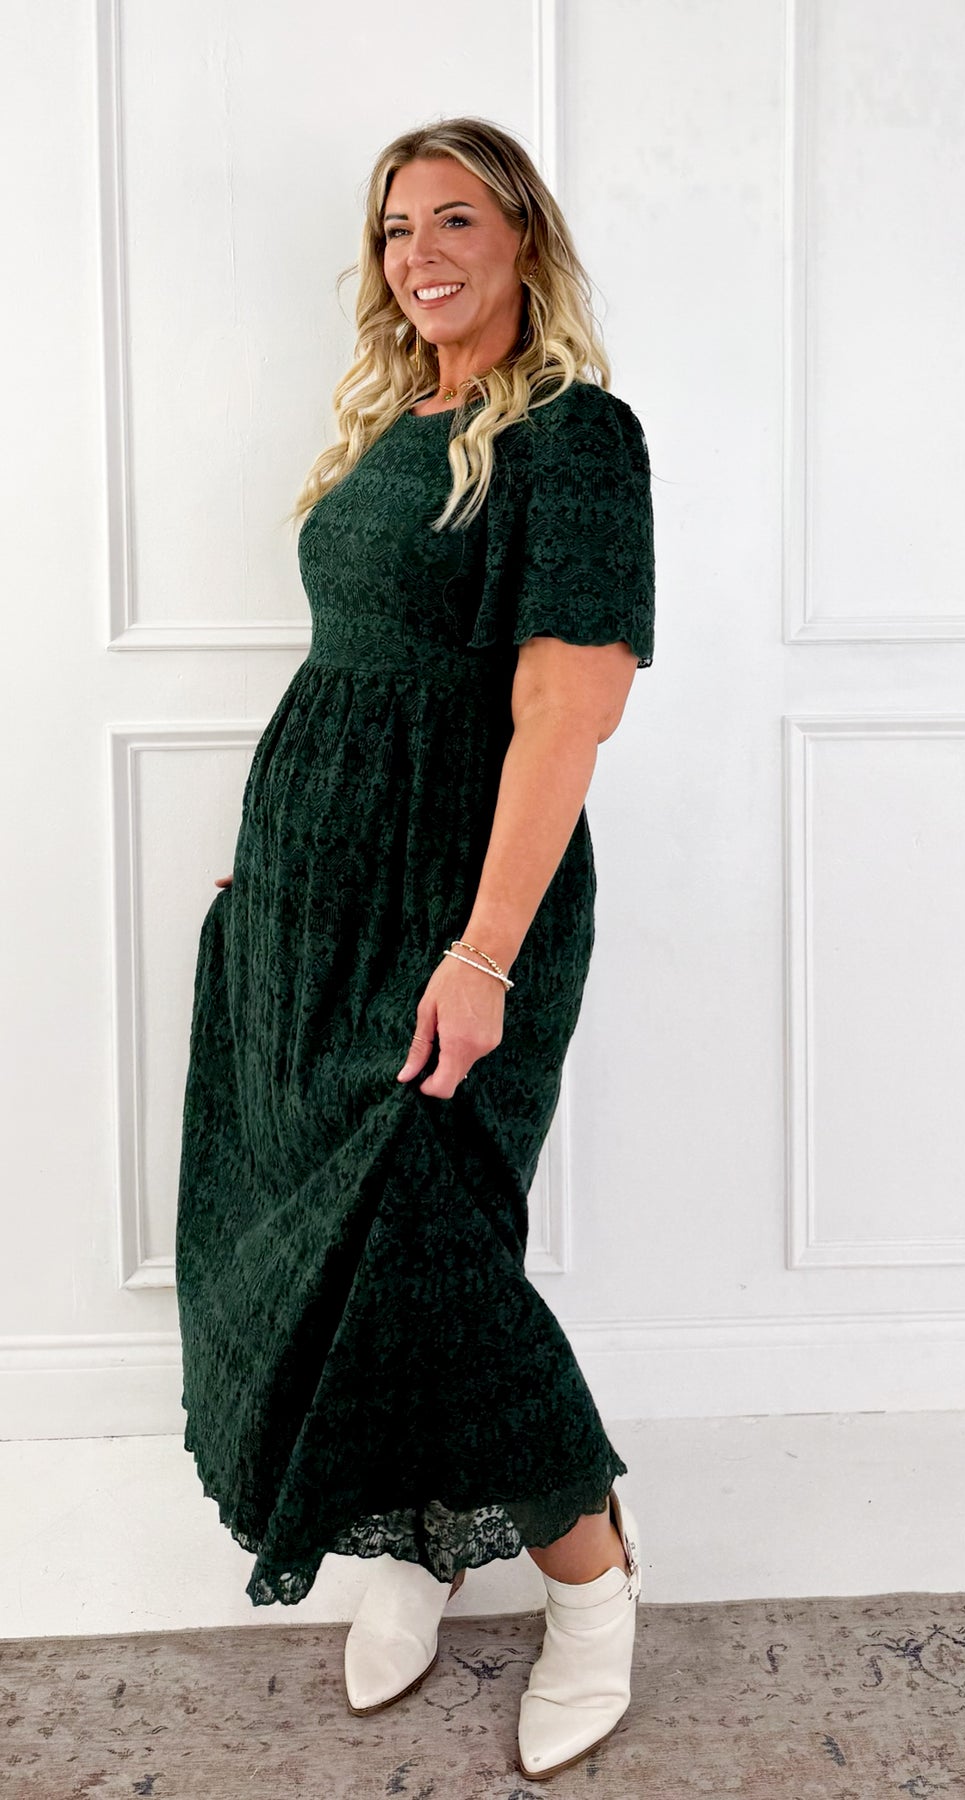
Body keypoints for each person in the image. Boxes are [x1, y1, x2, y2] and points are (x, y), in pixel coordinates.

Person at [173, 115, 656, 1782]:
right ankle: (414, 1543)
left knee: (429, 1242)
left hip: (460, 908)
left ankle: (591, 1587)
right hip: (311, 894)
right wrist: (273, 876)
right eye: (395, 227)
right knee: (326, 1230)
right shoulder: (398, 423)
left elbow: (567, 711)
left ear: (523, 236)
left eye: (455, 218)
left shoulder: (576, 438)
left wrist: (484, 954)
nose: (419, 253)